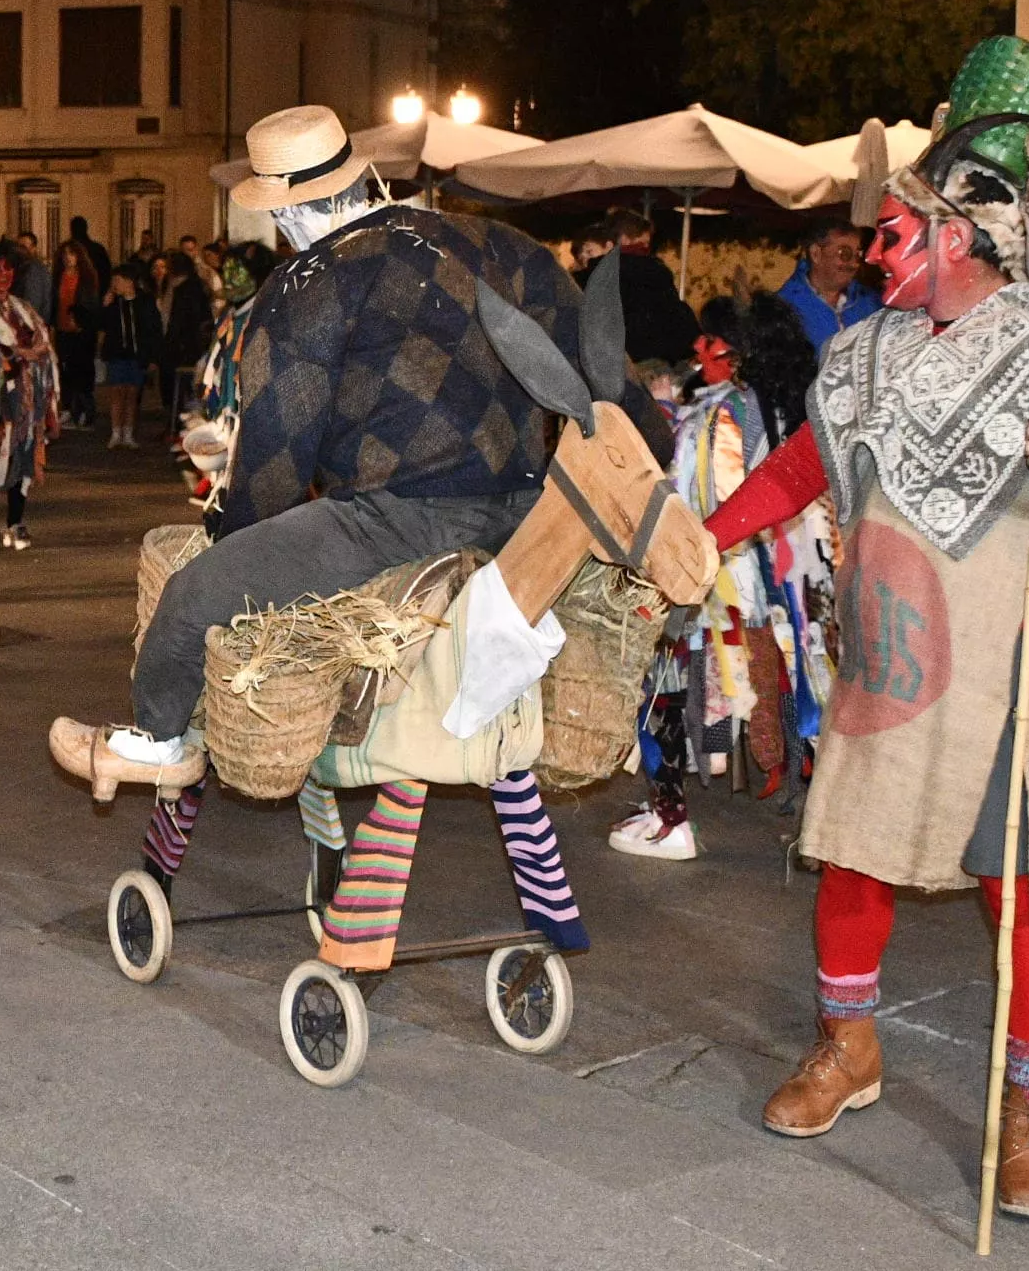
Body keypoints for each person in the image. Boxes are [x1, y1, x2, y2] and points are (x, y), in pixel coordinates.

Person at [702, 36, 1029, 1223]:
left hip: (1006, 672)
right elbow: (810, 459)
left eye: (900, 229)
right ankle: (849, 1049)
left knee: (1023, 888)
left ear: (959, 235)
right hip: (891, 657)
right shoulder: (863, 348)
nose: (876, 247)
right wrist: (708, 534)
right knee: (850, 845)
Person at [48, 103, 664, 792]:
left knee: (193, 595)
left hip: (396, 521)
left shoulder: (309, 281)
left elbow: (278, 459)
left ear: (287, 213)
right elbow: (608, 381)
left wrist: (235, 541)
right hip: (525, 514)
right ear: (358, 177)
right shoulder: (504, 245)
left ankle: (159, 743)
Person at [618, 293, 834, 861]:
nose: (696, 346)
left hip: (719, 585)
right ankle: (825, 820)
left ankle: (672, 822)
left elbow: (710, 498)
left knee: (662, 692)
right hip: (779, 582)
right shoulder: (772, 402)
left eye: (709, 340)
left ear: (735, 354)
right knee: (793, 692)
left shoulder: (724, 417)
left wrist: (663, 419)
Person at [0, 240, 61, 548]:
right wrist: (9, 358)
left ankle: (16, 522)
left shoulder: (24, 308)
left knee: (24, 450)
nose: (4, 274)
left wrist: (24, 355)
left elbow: (42, 344)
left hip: (26, 396)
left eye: (8, 268)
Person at [604, 207, 700, 367]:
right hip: (651, 357)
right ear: (624, 239)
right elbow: (671, 313)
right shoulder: (651, 270)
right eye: (643, 243)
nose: (646, 249)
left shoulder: (597, 273)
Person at [779, 219, 878, 352]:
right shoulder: (784, 308)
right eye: (845, 254)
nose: (855, 264)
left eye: (858, 255)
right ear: (816, 254)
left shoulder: (871, 303)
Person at [94, 267, 154, 448]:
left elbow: (152, 329)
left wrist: (152, 356)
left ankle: (128, 433)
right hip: (116, 353)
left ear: (129, 282)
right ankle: (116, 432)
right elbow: (101, 325)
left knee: (132, 394)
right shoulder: (113, 302)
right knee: (117, 392)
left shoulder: (144, 301)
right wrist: (104, 306)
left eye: (118, 281)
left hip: (137, 355)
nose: (115, 285)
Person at [153, 249, 210, 426]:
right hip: (169, 342)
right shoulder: (169, 285)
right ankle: (172, 420)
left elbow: (193, 316)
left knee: (184, 386)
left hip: (185, 344)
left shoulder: (191, 287)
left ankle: (181, 422)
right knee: (168, 385)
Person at [51, 239, 100, 428]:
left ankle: (86, 410)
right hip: (63, 328)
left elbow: (90, 304)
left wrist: (79, 317)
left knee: (82, 371)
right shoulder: (59, 276)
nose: (67, 258)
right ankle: (70, 409)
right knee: (66, 371)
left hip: (81, 331)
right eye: (65, 255)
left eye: (71, 254)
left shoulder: (87, 276)